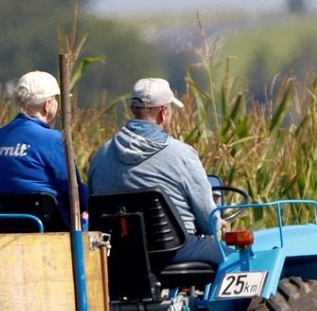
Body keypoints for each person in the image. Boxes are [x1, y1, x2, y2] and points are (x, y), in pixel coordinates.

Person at [88, 78, 223, 265]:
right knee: (237, 258)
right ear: (163, 112)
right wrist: (217, 222)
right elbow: (209, 223)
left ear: (132, 109)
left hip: (120, 256)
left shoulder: (100, 156)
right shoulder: (182, 154)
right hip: (175, 251)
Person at [0, 71, 87, 229]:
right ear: (47, 105)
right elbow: (74, 192)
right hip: (47, 226)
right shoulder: (52, 139)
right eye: (55, 99)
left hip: (1, 225)